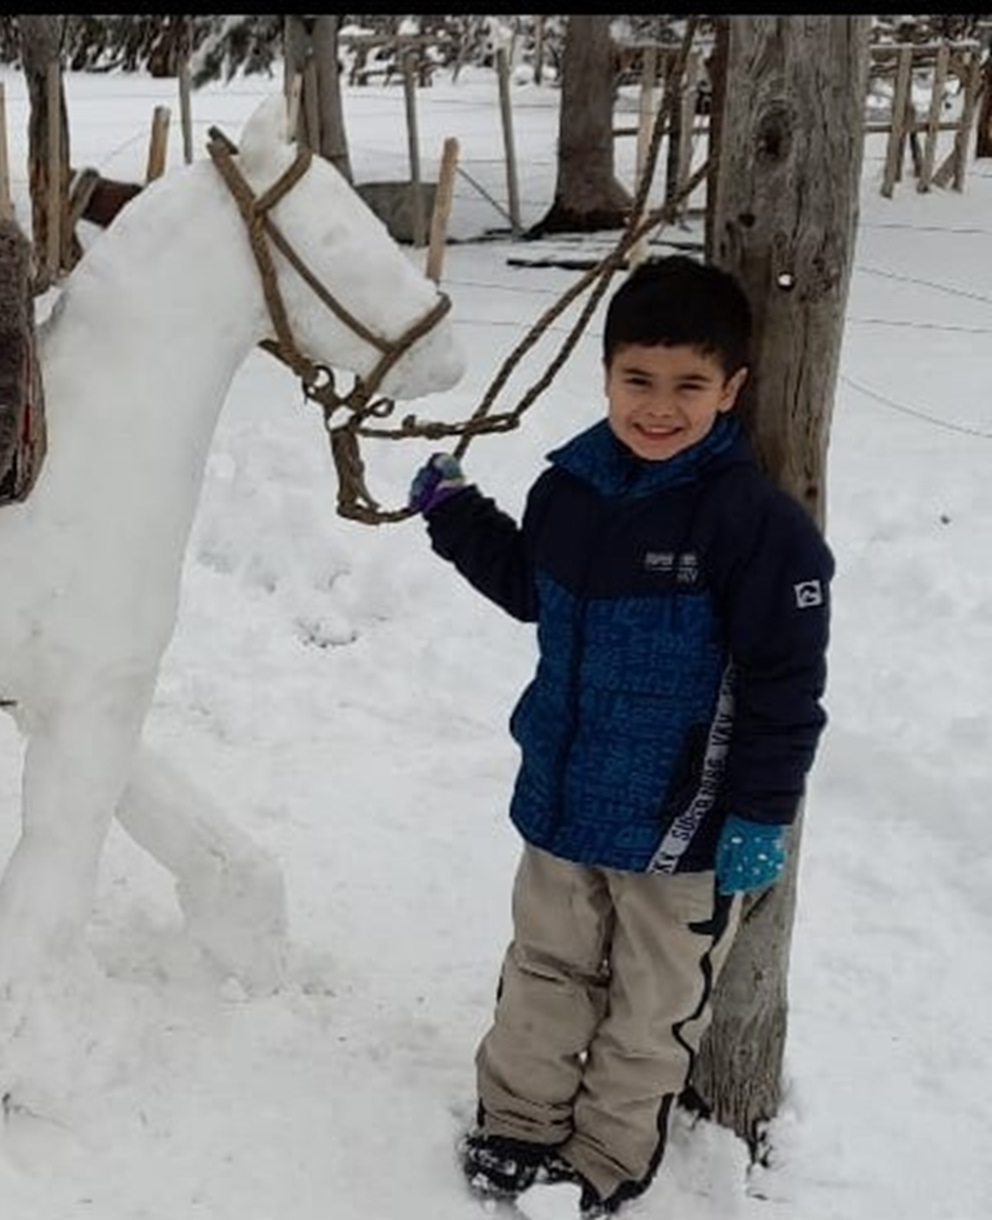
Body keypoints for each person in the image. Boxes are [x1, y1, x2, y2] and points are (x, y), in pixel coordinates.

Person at [405, 255, 833, 1217]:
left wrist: (760, 814)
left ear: (733, 389)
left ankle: (604, 1156)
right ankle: (517, 1120)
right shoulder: (572, 492)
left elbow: (784, 687)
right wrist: (456, 515)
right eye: (638, 379)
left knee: (652, 1007)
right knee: (543, 973)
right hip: (561, 799)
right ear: (605, 375)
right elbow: (533, 591)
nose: (659, 406)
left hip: (681, 825)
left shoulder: (755, 528)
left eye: (690, 385)